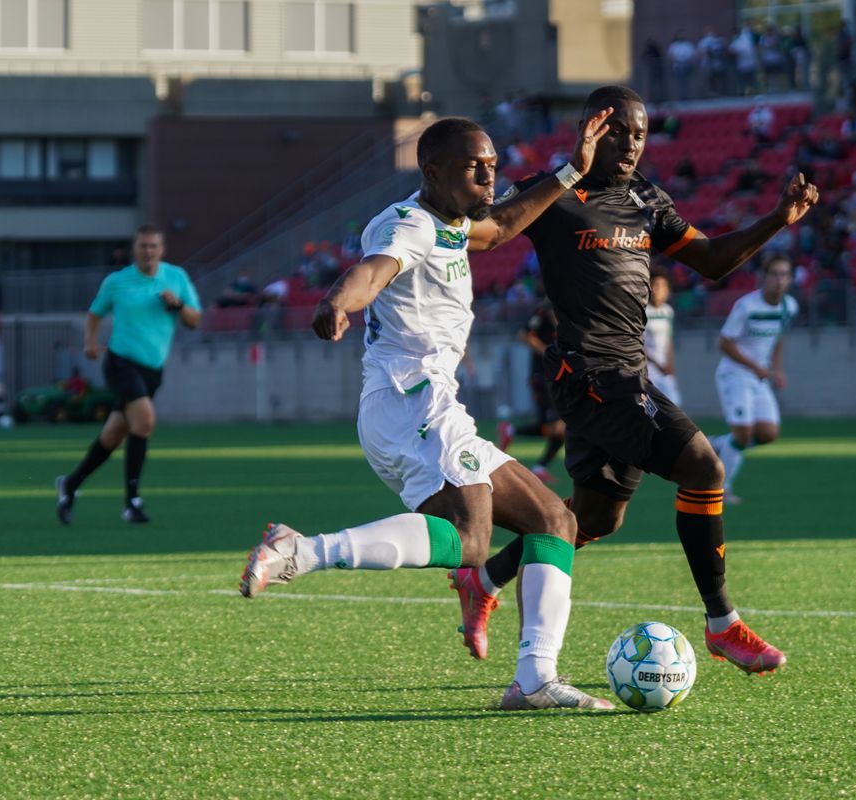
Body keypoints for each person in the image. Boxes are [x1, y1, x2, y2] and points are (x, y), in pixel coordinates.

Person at [238, 110, 619, 712]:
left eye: (493, 166)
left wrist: (574, 169)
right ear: (433, 171)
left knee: (555, 521)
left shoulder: (453, 221)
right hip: (410, 397)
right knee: (472, 540)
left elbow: (499, 229)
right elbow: (372, 271)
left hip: (425, 403)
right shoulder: (409, 225)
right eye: (475, 168)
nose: (489, 178)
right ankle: (300, 550)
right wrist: (339, 302)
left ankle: (532, 681)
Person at [453, 85, 819, 676]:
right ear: (589, 129)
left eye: (640, 133)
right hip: (591, 375)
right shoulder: (554, 192)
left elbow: (710, 259)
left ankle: (486, 577)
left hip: (629, 372)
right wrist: (566, 170)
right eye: (617, 130)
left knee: (592, 520)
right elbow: (485, 228)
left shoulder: (647, 197)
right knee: (704, 466)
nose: (630, 144)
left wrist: (777, 220)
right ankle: (723, 625)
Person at [55, 224, 202, 525]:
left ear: (162, 250)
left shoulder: (176, 278)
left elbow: (194, 320)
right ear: (134, 249)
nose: (147, 251)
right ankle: (132, 502)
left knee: (112, 436)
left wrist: (178, 305)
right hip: (121, 363)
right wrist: (90, 342)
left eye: (153, 246)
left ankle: (69, 485)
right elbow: (95, 313)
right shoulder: (118, 282)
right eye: (142, 246)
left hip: (153, 370)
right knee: (145, 420)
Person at [708, 258, 798, 505]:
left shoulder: (789, 306)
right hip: (734, 375)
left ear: (790, 279)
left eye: (785, 274)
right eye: (775, 274)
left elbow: (779, 339)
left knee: (768, 434)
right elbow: (724, 343)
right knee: (743, 436)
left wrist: (777, 370)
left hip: (759, 377)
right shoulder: (746, 306)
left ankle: (717, 444)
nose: (780, 280)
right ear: (764, 277)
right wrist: (754, 366)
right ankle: (722, 488)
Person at [497, 298, 566, 483]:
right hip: (541, 376)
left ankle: (512, 432)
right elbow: (524, 334)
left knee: (560, 428)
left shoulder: (570, 308)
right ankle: (538, 464)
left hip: (558, 376)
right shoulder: (543, 311)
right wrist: (547, 352)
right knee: (559, 427)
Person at [645, 269, 681, 407]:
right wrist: (657, 364)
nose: (657, 289)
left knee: (674, 405)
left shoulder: (668, 311)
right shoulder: (642, 311)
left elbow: (668, 340)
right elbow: (638, 344)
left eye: (662, 286)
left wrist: (670, 365)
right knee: (651, 407)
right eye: (654, 285)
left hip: (665, 368)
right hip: (649, 369)